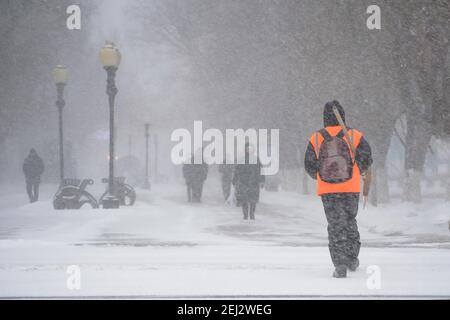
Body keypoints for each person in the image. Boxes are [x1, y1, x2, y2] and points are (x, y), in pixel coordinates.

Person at [304, 100, 372, 278]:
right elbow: (367, 159)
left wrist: (322, 176)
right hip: (350, 187)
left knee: (335, 225)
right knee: (350, 220)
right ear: (343, 115)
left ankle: (339, 264)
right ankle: (352, 258)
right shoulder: (354, 135)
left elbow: (309, 166)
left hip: (328, 190)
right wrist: (357, 169)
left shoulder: (317, 138)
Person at [232, 143, 265, 220]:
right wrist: (234, 180)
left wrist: (262, 180)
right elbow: (237, 171)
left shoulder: (256, 159)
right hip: (244, 182)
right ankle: (246, 214)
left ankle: (251, 214)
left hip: (253, 182)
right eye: (247, 149)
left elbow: (261, 170)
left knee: (252, 199)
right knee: (245, 199)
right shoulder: (242, 159)